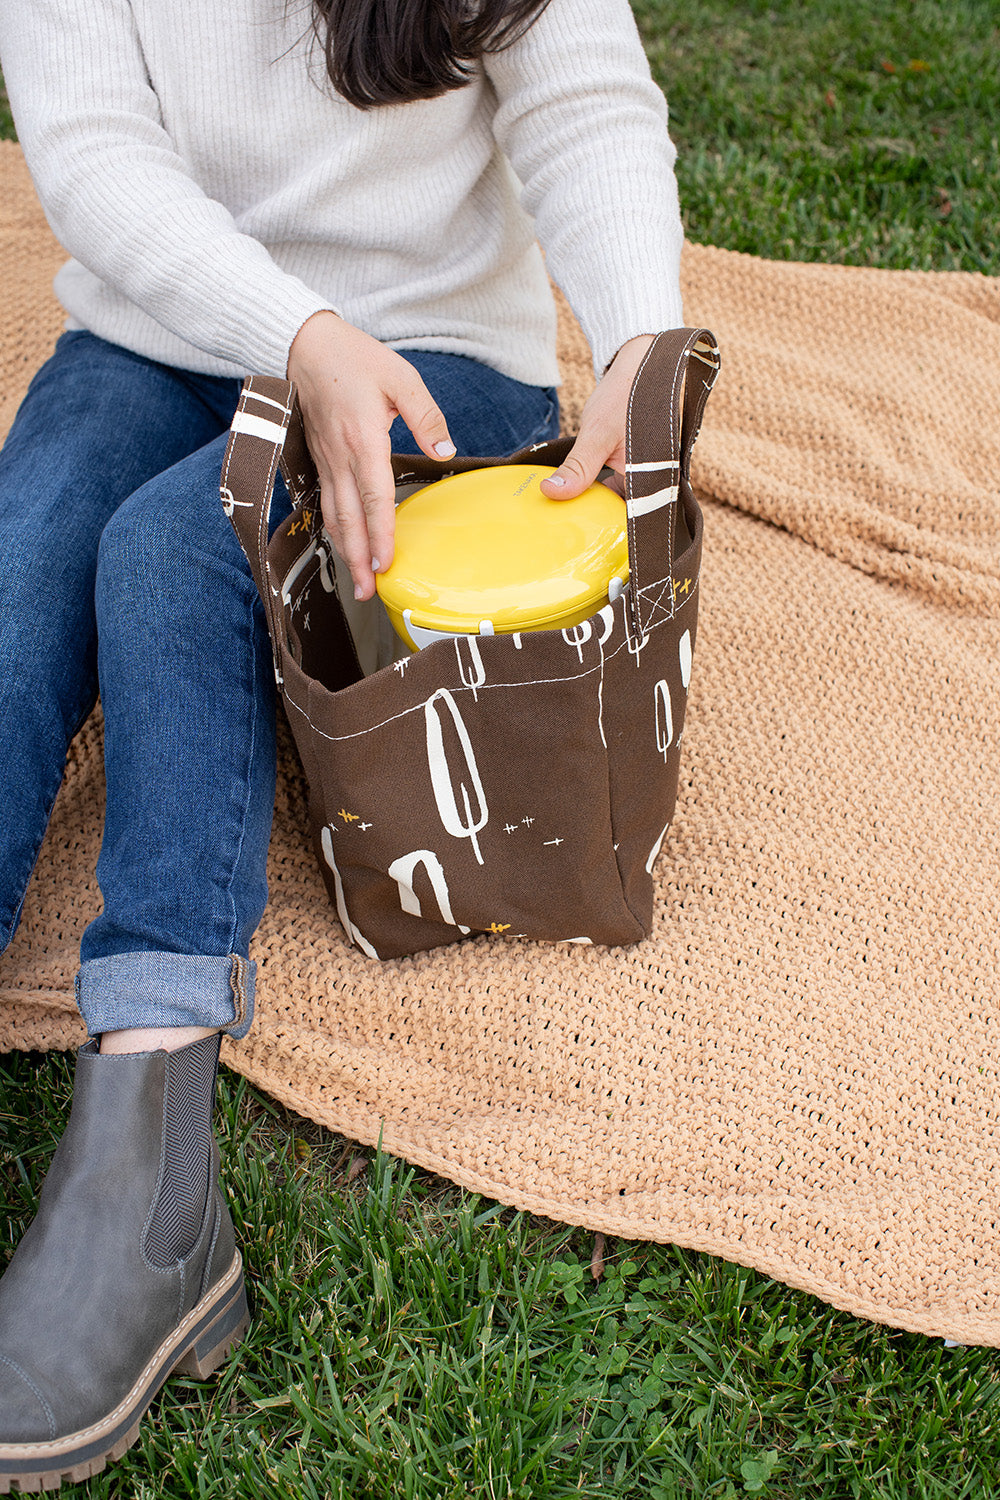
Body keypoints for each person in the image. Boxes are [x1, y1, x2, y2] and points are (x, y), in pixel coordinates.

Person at [0, 0, 685, 1486]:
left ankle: (156, 1183)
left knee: (169, 560)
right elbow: (94, 152)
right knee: (20, 579)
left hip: (432, 364)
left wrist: (639, 335)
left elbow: (585, 101)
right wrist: (288, 333)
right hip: (162, 334)